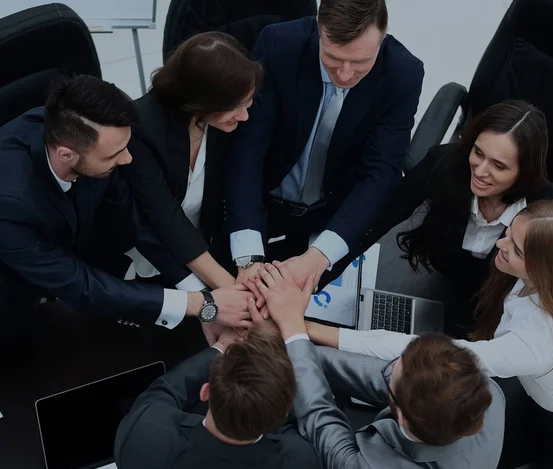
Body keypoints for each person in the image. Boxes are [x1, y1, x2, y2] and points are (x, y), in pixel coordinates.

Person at [307, 200, 553, 469]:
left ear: (546, 268)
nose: (500, 244)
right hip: (536, 397)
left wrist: (313, 330)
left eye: (516, 250)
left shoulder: (539, 342)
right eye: (509, 233)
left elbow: (421, 353)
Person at [0, 75, 252, 358]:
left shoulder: (83, 136)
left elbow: (136, 222)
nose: (127, 160)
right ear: (66, 155)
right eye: (114, 155)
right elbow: (82, 286)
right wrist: (203, 305)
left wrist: (205, 297)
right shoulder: (9, 203)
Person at [224, 0, 424, 291]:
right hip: (261, 202)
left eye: (359, 63)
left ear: (383, 36)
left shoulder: (403, 72)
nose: (344, 75)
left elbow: (381, 171)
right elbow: (247, 149)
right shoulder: (280, 44)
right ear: (318, 30)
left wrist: (320, 256)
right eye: (333, 58)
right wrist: (248, 256)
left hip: (336, 214)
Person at [243, 262, 505, 469]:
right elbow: (376, 376)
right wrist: (293, 335)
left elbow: (319, 417)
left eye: (392, 372)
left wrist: (289, 331)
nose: (386, 368)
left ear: (401, 416)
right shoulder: (487, 392)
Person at [355, 100, 553, 338]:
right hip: (439, 279)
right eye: (478, 153)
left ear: (524, 171)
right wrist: (322, 261)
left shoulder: (552, 210)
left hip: (501, 311)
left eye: (499, 166)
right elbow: (380, 215)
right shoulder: (445, 165)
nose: (479, 171)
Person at [122, 32, 263, 294]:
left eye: (248, 103)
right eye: (235, 107)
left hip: (205, 252)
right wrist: (230, 289)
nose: (244, 116)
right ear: (202, 101)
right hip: (145, 262)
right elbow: (164, 217)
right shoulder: (142, 127)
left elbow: (238, 185)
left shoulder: (223, 122)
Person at [115, 328, 323, 469]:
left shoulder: (143, 435)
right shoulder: (301, 466)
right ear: (283, 413)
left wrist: (221, 346)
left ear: (205, 392)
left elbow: (160, 393)